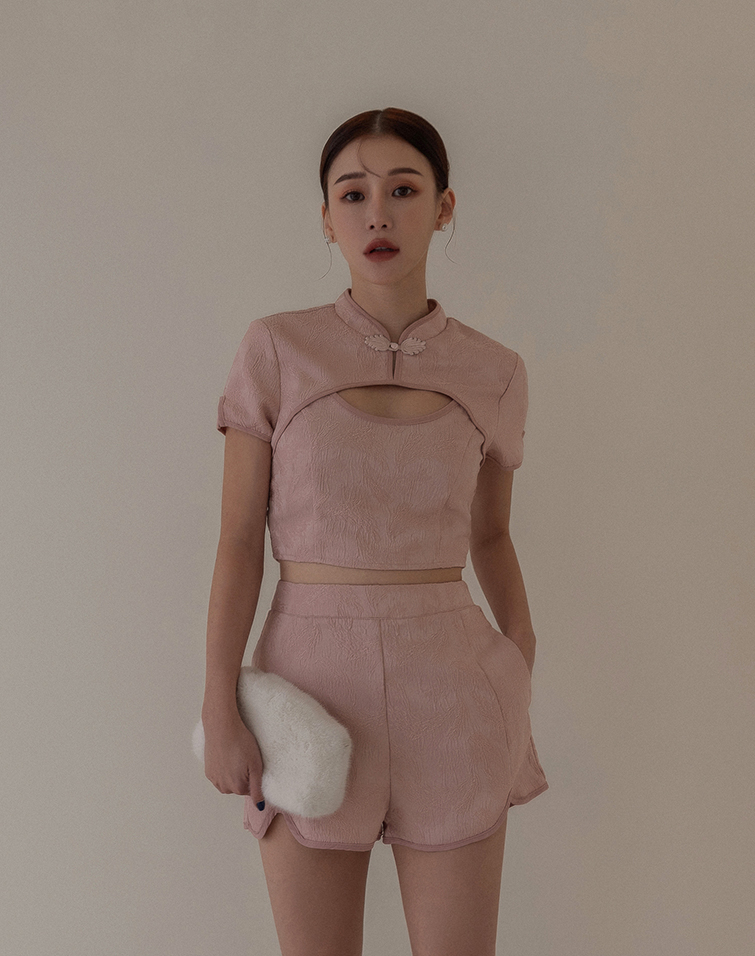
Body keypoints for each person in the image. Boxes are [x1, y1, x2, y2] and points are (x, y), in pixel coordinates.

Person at [201, 107, 548, 956]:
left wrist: (519, 654)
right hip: (308, 690)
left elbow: (491, 535)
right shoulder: (276, 350)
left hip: (454, 690)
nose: (377, 214)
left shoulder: (494, 371)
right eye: (352, 194)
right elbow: (239, 539)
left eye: (403, 189)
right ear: (326, 217)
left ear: (444, 207)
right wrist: (218, 698)